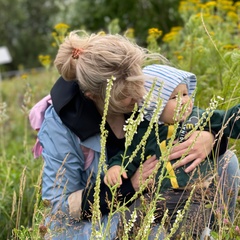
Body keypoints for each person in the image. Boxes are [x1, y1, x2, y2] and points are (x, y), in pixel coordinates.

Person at [28, 31, 239, 240]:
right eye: (126, 96)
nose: (139, 95)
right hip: (98, 218)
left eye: (139, 84)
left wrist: (210, 137)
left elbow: (190, 117)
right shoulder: (61, 125)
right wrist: (130, 186)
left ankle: (220, 232)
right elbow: (58, 205)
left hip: (157, 196)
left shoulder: (136, 83)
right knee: (154, 232)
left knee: (227, 162)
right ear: (94, 97)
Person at [103, 64, 240, 238]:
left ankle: (216, 230)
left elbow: (228, 121)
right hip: (159, 199)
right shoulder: (145, 132)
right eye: (174, 97)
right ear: (154, 106)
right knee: (160, 227)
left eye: (185, 94)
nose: (184, 100)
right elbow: (128, 155)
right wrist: (116, 168)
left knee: (193, 224)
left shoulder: (197, 117)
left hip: (194, 194)